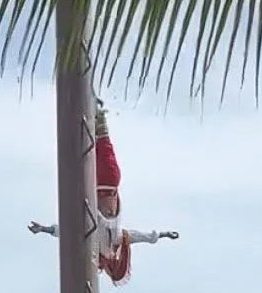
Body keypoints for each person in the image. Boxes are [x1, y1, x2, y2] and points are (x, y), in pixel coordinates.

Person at [26, 101, 178, 284]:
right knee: (103, 144)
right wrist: (162, 235)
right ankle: (96, 109)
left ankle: (90, 111)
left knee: (87, 145)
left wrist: (44, 229)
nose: (111, 254)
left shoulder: (91, 237)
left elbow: (66, 232)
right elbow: (143, 236)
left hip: (91, 184)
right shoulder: (117, 236)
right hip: (107, 182)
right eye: (114, 257)